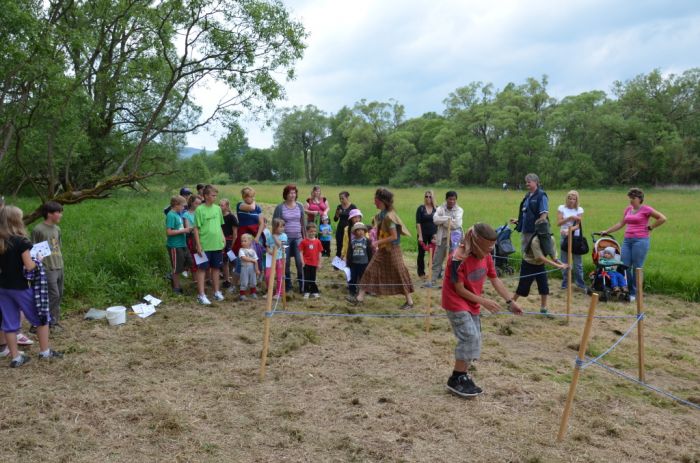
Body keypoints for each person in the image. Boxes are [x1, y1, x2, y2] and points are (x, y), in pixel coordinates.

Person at [442, 223, 523, 397]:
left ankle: (462, 375)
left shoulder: (486, 256)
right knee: (469, 336)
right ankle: (456, 378)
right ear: (476, 242)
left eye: (491, 248)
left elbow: (495, 280)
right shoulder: (457, 258)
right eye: (487, 248)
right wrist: (484, 301)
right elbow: (459, 289)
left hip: (472, 302)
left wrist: (510, 301)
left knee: (476, 338)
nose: (489, 251)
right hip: (455, 301)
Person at [0, 205, 63, 367]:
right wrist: (38, 259)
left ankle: (15, 357)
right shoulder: (21, 242)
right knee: (42, 318)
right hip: (22, 287)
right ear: (16, 221)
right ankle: (45, 352)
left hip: (4, 288)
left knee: (9, 323)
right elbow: (29, 267)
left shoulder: (1, 241)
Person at [348, 188, 414, 309]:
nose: (374, 202)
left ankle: (409, 302)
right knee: (370, 269)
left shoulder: (390, 217)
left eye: (376, 200)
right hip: (383, 249)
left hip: (393, 249)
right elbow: (377, 227)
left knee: (399, 273)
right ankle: (359, 298)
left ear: (381, 201)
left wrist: (377, 242)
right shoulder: (381, 215)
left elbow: (394, 236)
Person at [600, 188, 667, 301]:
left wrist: (651, 227)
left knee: (637, 267)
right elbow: (621, 223)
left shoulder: (646, 209)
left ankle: (634, 293)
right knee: (625, 266)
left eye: (633, 198)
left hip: (640, 241)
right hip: (627, 240)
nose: (631, 200)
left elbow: (663, 218)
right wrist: (607, 231)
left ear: (640, 199)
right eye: (630, 198)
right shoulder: (628, 209)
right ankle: (628, 289)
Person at [511, 218, 567, 314]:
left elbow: (553, 256)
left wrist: (562, 264)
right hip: (528, 264)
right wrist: (556, 265)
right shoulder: (535, 240)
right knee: (523, 287)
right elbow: (540, 257)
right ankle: (512, 302)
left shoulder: (551, 239)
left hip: (540, 266)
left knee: (544, 287)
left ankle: (543, 308)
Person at [30, 201, 66, 331]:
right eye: (58, 212)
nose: (61, 215)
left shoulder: (57, 229)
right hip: (47, 268)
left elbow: (58, 247)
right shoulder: (38, 230)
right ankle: (40, 323)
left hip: (59, 266)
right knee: (52, 295)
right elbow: (32, 251)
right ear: (50, 214)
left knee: (59, 294)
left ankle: (53, 321)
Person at [193, 185, 226, 305]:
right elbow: (196, 229)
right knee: (202, 269)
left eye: (216, 195)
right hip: (204, 245)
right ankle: (201, 295)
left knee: (216, 268)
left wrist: (222, 238)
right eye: (213, 195)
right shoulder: (199, 210)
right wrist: (198, 245)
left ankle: (216, 292)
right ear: (205, 196)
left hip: (217, 244)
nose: (215, 197)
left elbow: (220, 225)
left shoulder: (217, 209)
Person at [273, 184, 307, 293]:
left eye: (294, 193)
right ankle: (288, 286)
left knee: (300, 261)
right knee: (285, 262)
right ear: (286, 194)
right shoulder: (280, 207)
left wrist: (305, 238)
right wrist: (275, 238)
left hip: (298, 238)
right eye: (290, 193)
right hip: (284, 239)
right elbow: (275, 223)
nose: (292, 195)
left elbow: (303, 223)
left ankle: (302, 285)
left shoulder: (300, 206)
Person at [427, 191, 463, 288]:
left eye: (454, 199)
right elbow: (435, 220)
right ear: (446, 199)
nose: (452, 201)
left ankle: (449, 283)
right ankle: (432, 280)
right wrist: (449, 219)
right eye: (450, 199)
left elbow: (457, 224)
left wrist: (442, 221)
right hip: (442, 237)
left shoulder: (459, 210)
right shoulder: (440, 208)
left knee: (453, 260)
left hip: (454, 238)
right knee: (437, 259)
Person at [556, 190, 586, 291]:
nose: (571, 200)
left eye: (574, 199)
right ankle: (565, 283)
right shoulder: (561, 208)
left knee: (577, 263)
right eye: (570, 198)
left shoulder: (579, 209)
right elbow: (559, 223)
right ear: (567, 198)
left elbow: (578, 225)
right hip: (564, 237)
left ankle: (580, 284)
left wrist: (569, 231)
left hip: (576, 238)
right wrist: (569, 218)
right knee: (564, 261)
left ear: (577, 200)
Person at [512, 173, 549, 253]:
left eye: (529, 182)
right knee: (525, 252)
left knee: (535, 253)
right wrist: (519, 220)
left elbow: (544, 215)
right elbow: (527, 212)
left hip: (535, 232)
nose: (527, 184)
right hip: (525, 230)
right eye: (526, 182)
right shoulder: (527, 195)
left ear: (536, 182)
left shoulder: (541, 195)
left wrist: (539, 231)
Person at [165, 195, 192, 294]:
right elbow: (169, 232)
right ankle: (176, 288)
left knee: (189, 262)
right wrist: (184, 230)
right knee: (177, 268)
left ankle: (172, 277)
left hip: (182, 244)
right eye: (182, 206)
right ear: (176, 205)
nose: (184, 208)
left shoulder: (177, 214)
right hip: (175, 246)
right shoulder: (171, 215)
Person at [347, 222, 372, 297]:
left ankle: (365, 290)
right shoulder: (352, 241)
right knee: (353, 277)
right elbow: (349, 252)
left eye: (362, 230)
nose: (361, 232)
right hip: (354, 263)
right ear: (354, 232)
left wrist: (370, 262)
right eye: (358, 230)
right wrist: (349, 262)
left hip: (364, 263)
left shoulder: (367, 241)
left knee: (363, 277)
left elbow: (369, 252)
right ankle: (352, 290)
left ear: (364, 231)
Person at [415, 189, 436, 279]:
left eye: (430, 196)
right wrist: (420, 235)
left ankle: (432, 271)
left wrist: (436, 235)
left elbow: (439, 223)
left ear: (433, 197)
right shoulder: (421, 208)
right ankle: (421, 272)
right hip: (422, 234)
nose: (428, 198)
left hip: (433, 235)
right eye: (426, 196)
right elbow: (418, 223)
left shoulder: (437, 209)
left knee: (433, 254)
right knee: (421, 253)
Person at [264, 218, 287, 297]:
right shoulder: (270, 236)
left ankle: (279, 293)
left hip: (280, 258)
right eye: (280, 227)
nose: (282, 228)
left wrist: (275, 237)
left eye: (283, 226)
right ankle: (269, 291)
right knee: (268, 276)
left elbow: (280, 245)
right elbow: (267, 246)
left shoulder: (284, 236)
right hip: (270, 259)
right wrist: (269, 251)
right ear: (274, 227)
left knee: (279, 276)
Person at [300, 223, 323, 298]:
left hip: (314, 263)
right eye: (311, 231)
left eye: (314, 231)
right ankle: (306, 291)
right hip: (306, 263)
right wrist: (302, 261)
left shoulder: (318, 242)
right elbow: (301, 252)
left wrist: (319, 263)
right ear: (307, 231)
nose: (312, 233)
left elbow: (320, 253)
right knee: (306, 277)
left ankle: (314, 291)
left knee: (313, 278)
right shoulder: (304, 241)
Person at [220, 198, 239, 290]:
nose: (220, 207)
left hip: (230, 242)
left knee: (234, 261)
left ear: (227, 206)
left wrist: (232, 245)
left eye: (222, 205)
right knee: (224, 262)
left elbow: (235, 233)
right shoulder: (218, 216)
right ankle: (226, 280)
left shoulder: (231, 217)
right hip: (221, 242)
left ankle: (238, 279)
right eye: (219, 205)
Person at [333, 191, 357, 259]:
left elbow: (357, 217)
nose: (341, 200)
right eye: (340, 198)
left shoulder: (353, 206)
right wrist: (337, 214)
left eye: (342, 198)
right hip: (340, 228)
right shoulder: (339, 206)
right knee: (339, 245)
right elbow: (335, 219)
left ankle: (349, 262)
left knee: (349, 245)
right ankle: (337, 264)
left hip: (349, 229)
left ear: (347, 198)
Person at [237, 234, 259, 301]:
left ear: (250, 242)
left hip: (252, 268)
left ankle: (253, 292)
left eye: (245, 241)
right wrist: (252, 260)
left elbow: (256, 261)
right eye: (242, 241)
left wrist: (257, 269)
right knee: (244, 280)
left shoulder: (253, 251)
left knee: (253, 280)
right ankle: (242, 294)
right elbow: (243, 258)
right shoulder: (241, 250)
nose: (243, 242)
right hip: (245, 267)